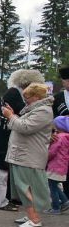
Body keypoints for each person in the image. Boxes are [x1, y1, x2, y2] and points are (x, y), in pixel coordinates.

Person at [0, 69, 44, 211]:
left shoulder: (13, 92)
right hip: (2, 138)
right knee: (2, 171)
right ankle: (1, 201)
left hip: (3, 135)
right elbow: (23, 111)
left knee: (5, 170)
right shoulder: (14, 93)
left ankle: (8, 198)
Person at [2, 83, 53, 227]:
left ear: (37, 96)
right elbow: (22, 123)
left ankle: (35, 219)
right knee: (23, 187)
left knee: (26, 188)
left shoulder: (43, 111)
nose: (25, 100)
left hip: (29, 156)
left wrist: (11, 116)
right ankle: (31, 214)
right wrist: (15, 115)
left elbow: (25, 127)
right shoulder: (36, 109)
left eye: (27, 97)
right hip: (24, 155)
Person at [44, 116, 69, 214]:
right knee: (54, 185)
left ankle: (56, 208)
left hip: (55, 166)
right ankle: (65, 202)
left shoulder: (59, 137)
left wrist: (45, 157)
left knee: (52, 187)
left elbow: (52, 152)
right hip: (62, 166)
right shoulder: (66, 137)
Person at [52, 65, 69, 198]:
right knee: (64, 171)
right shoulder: (58, 98)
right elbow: (51, 117)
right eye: (65, 80)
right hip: (62, 141)